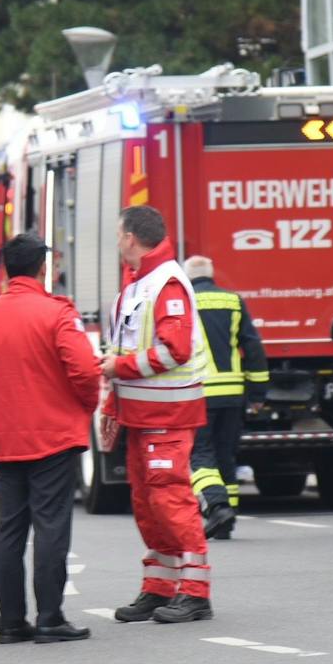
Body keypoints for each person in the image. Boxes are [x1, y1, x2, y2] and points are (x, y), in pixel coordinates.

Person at [0, 234, 101, 645]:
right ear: (43, 268)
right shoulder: (56, 313)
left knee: (10, 528)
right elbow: (86, 371)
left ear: (5, 268)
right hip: (53, 435)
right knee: (51, 525)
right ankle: (50, 618)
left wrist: (2, 402)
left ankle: (10, 622)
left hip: (3, 436)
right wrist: (83, 407)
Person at [99, 206, 214, 624]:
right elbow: (128, 349)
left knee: (170, 499)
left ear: (131, 237)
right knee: (148, 504)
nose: (116, 242)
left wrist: (120, 370)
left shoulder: (164, 283)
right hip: (140, 413)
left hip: (167, 412)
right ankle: (159, 587)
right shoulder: (138, 285)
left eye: (118, 235)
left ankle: (196, 592)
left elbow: (173, 350)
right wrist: (114, 403)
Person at [182, 256, 268, 541]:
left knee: (200, 454)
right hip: (232, 393)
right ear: (211, 274)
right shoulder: (233, 301)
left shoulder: (183, 302)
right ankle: (228, 520)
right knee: (225, 455)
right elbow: (252, 347)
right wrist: (257, 394)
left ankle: (217, 505)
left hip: (199, 392)